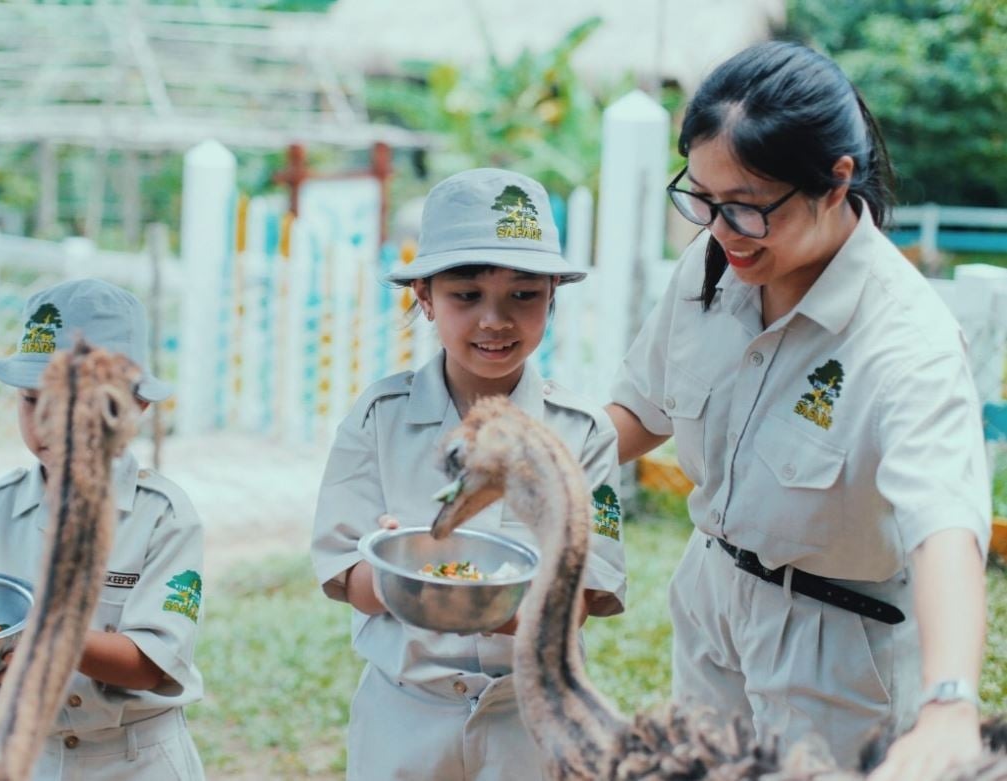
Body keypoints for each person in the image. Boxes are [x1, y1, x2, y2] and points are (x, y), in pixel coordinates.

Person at [605, 41, 990, 778]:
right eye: (702, 198)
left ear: (835, 181)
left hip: (836, 648)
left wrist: (949, 700)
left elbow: (944, 528)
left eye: (746, 209)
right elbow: (643, 405)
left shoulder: (905, 340)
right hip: (713, 599)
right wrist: (541, 458)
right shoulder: (715, 261)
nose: (718, 230)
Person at [311, 168, 627, 781]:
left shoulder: (581, 433)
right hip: (402, 717)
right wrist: (397, 573)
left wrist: (466, 597)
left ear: (554, 296)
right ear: (424, 297)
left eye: (524, 295)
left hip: (532, 720)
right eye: (466, 295)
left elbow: (579, 601)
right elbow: (347, 574)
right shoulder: (378, 418)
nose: (495, 320)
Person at [0, 278, 206, 780]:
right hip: (24, 759)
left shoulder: (163, 517)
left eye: (72, 405)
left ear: (134, 407)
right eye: (31, 401)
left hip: (138, 759)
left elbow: (150, 662)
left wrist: (39, 637)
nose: (46, 426)